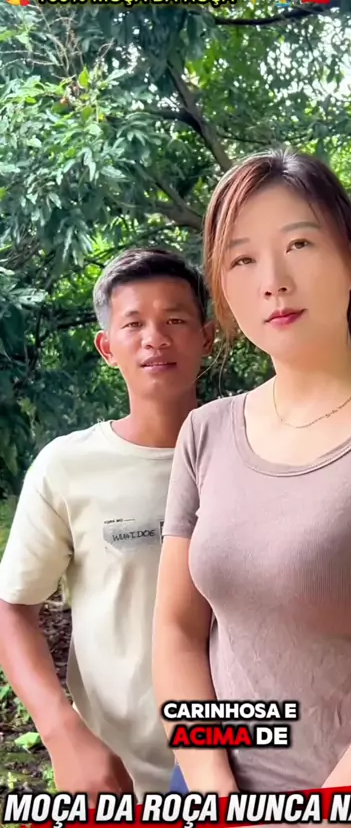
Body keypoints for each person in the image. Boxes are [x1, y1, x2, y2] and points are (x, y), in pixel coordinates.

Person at [152, 150, 351, 818]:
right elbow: (177, 630)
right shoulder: (206, 433)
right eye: (243, 260)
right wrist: (214, 793)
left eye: (299, 244)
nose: (273, 281)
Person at [0, 247, 214, 804]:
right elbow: (12, 608)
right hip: (121, 781)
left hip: (254, 767)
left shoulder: (256, 449)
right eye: (134, 324)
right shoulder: (68, 467)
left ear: (208, 337)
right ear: (107, 348)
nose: (155, 339)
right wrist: (60, 730)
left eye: (175, 320)